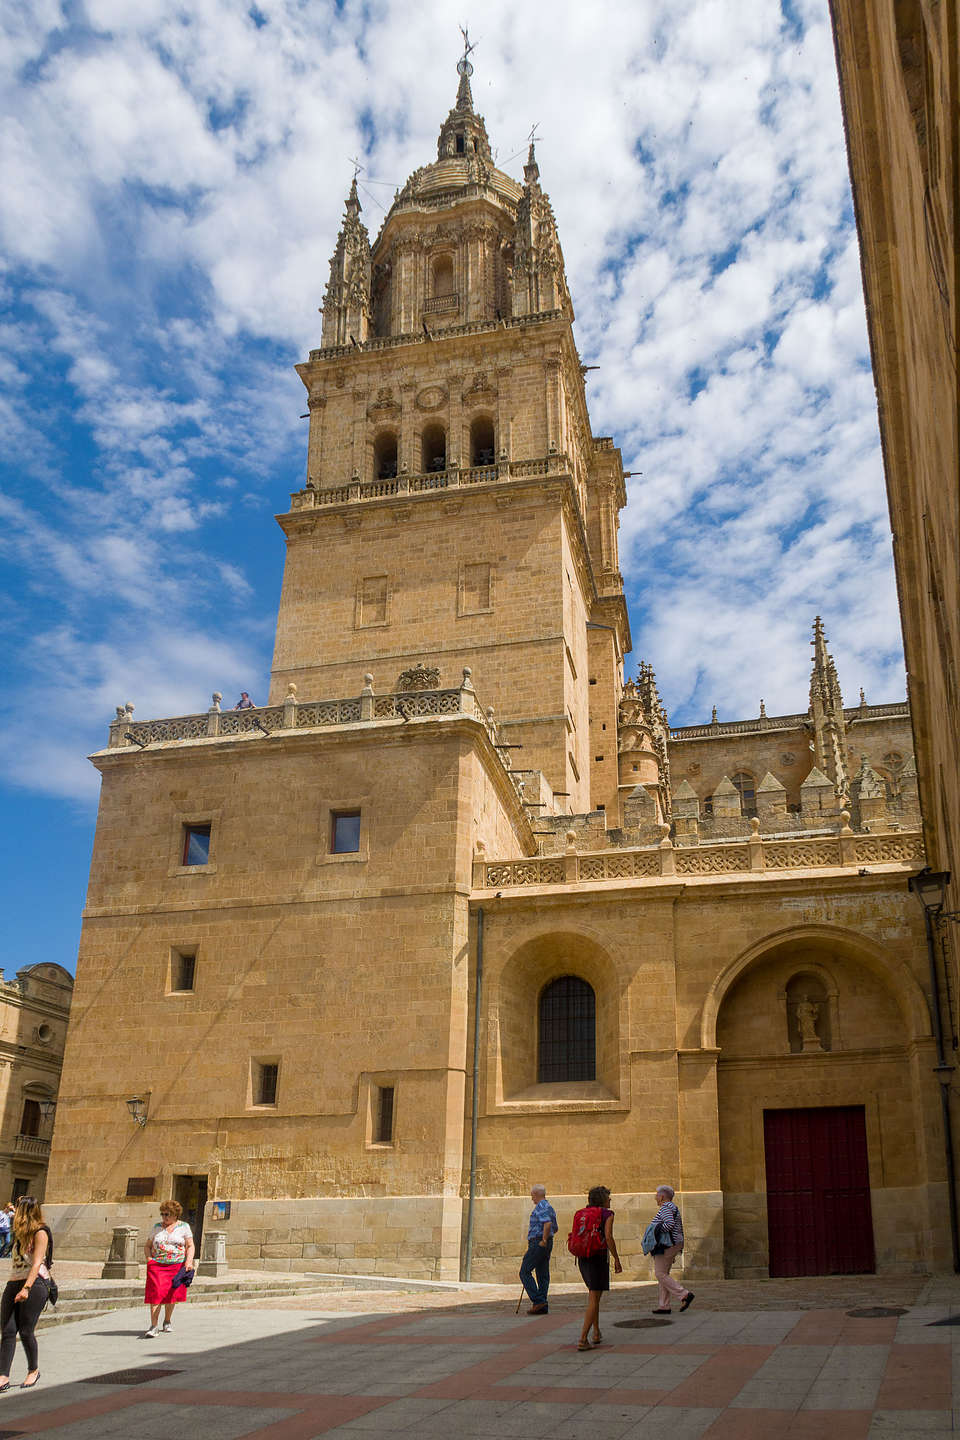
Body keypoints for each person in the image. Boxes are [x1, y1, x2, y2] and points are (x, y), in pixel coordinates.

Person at [0, 1195, 53, 1390]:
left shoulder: (40, 1233)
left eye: (20, 1209)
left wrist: (26, 1288)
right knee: (7, 1330)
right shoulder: (19, 1234)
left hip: (35, 1284)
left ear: (25, 1212)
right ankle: (3, 1375)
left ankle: (33, 1370)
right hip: (13, 1282)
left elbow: (37, 1262)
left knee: (26, 1330)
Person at [576, 1185, 622, 1351]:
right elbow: (608, 1237)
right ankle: (582, 1339)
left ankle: (596, 1332)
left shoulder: (581, 1213)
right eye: (608, 1197)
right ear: (603, 1199)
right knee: (594, 1299)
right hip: (598, 1258)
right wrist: (616, 1258)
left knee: (593, 1297)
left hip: (583, 1258)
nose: (610, 1200)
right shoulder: (607, 1214)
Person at [142, 1200, 195, 1338]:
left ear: (175, 1215)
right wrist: (149, 1260)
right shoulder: (157, 1227)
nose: (164, 1217)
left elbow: (190, 1245)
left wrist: (188, 1262)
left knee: (171, 1294)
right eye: (163, 1214)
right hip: (158, 1266)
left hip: (176, 1265)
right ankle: (154, 1326)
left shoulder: (184, 1227)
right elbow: (147, 1246)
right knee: (156, 1294)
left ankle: (167, 1321)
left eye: (168, 1214)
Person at [650, 1184, 694, 1315]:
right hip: (674, 1244)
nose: (655, 1197)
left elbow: (668, 1224)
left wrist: (655, 1230)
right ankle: (664, 1306)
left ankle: (685, 1294)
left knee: (660, 1274)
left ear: (662, 1196)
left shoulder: (666, 1207)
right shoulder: (672, 1207)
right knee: (664, 1274)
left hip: (666, 1245)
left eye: (656, 1195)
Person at [519, 1183, 557, 1315]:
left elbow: (547, 1223)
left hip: (539, 1241)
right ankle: (542, 1304)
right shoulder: (550, 1207)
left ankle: (538, 1301)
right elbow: (555, 1227)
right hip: (546, 1241)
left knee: (524, 1271)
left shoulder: (541, 1206)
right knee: (542, 1273)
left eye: (532, 1196)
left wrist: (544, 1240)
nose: (531, 1199)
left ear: (536, 1194)